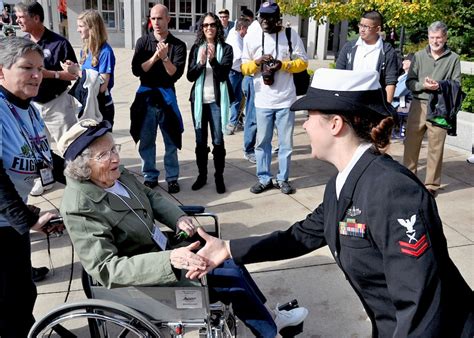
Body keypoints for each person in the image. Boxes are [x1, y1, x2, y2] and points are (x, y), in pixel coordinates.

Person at [187, 68, 474, 337]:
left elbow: (421, 301)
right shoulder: (342, 183)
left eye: (309, 116)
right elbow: (300, 236)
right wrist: (228, 248)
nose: (306, 125)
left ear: (335, 124)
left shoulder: (392, 190)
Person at [57, 118, 308, 338]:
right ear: (82, 166)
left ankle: (269, 319)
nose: (115, 158)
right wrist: (168, 260)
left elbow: (150, 196)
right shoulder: (79, 206)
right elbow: (106, 269)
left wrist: (177, 218)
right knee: (229, 278)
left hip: (164, 248)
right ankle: (271, 331)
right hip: (145, 275)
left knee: (228, 257)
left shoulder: (114, 174)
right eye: (104, 155)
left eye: (114, 149)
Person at [0, 36, 63, 338]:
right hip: (3, 221)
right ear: (1, 72)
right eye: (27, 68)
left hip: (12, 222)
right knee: (7, 303)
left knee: (23, 294)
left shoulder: (29, 108)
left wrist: (90, 173)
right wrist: (27, 219)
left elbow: (47, 158)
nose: (37, 75)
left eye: (40, 68)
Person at [242, 1, 308, 195]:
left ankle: (283, 179)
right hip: (262, 101)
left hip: (286, 100)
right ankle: (264, 178)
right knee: (262, 143)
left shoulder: (290, 35)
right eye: (262, 16)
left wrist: (283, 65)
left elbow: (303, 62)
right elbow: (243, 68)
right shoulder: (252, 36)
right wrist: (257, 63)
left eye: (269, 16)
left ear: (277, 18)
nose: (264, 20)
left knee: (286, 144)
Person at [15, 1, 78, 196]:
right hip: (32, 106)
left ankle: (78, 182)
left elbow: (74, 74)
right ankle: (45, 179)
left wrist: (48, 73)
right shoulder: (23, 44)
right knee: (38, 148)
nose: (17, 21)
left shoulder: (59, 43)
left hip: (57, 104)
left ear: (35, 17)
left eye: (20, 17)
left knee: (69, 145)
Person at [130, 4, 186, 194]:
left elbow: (174, 74)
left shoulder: (178, 45)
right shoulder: (142, 42)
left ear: (168, 19)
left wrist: (165, 58)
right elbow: (137, 70)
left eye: (160, 18)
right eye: (153, 18)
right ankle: (150, 176)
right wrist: (155, 57)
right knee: (146, 140)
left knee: (170, 141)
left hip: (166, 97)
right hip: (146, 97)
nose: (156, 22)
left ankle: (172, 178)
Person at [403, 21, 461, 197]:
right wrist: (423, 85)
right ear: (428, 37)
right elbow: (409, 82)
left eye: (439, 38)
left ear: (445, 38)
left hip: (439, 107)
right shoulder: (419, 56)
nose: (435, 41)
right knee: (411, 146)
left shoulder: (453, 58)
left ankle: (432, 185)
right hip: (418, 105)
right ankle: (408, 180)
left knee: (436, 147)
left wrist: (440, 86)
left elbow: (457, 84)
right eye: (432, 37)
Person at [187, 12, 233, 194]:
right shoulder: (197, 48)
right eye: (205, 25)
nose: (209, 28)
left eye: (212, 25)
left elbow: (222, 75)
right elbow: (190, 76)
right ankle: (202, 175)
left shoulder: (226, 49)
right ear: (201, 28)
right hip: (198, 101)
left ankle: (219, 176)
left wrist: (213, 61)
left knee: (218, 141)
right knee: (200, 141)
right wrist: (200, 63)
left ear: (218, 27)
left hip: (217, 101)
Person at [63, 9, 116, 127]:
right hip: (87, 104)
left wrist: (78, 71)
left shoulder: (105, 52)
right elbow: (87, 76)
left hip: (101, 107)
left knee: (102, 145)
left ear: (92, 28)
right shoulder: (85, 49)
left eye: (81, 26)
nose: (78, 30)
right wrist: (75, 68)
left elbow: (102, 87)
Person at [336, 10, 399, 103]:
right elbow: (339, 74)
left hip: (374, 103)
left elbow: (390, 83)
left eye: (366, 27)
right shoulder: (349, 47)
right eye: (360, 25)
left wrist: (387, 111)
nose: (362, 29)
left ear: (378, 29)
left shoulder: (387, 51)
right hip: (348, 100)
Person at [225, 17, 251, 135]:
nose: (247, 32)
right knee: (233, 99)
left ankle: (234, 122)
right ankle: (230, 123)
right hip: (232, 72)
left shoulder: (235, 33)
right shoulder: (235, 39)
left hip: (237, 72)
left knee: (238, 99)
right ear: (242, 28)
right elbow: (241, 56)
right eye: (247, 29)